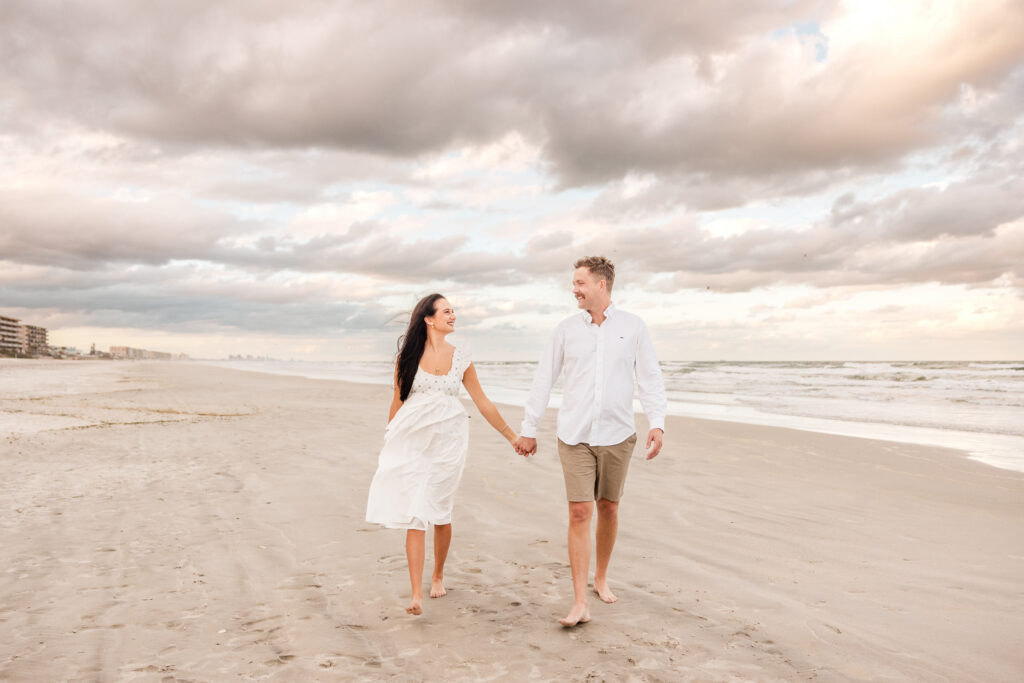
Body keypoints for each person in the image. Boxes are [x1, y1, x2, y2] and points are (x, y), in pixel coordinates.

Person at [514, 256, 667, 627]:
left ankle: (600, 576)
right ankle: (580, 600)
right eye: (574, 283)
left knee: (609, 507)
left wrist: (657, 422)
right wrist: (528, 426)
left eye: (580, 283)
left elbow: (649, 377)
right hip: (575, 435)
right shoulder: (565, 330)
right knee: (580, 512)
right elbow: (543, 379)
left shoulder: (633, 327)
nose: (574, 289)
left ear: (602, 285)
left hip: (618, 434)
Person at [366, 293, 519, 616]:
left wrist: (512, 436)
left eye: (453, 311)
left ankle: (438, 575)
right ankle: (416, 594)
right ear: (429, 318)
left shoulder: (461, 356)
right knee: (416, 510)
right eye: (447, 311)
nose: (453, 315)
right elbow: (397, 401)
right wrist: (389, 441)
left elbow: (483, 402)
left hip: (449, 440)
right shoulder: (407, 357)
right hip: (413, 440)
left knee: (440, 509)